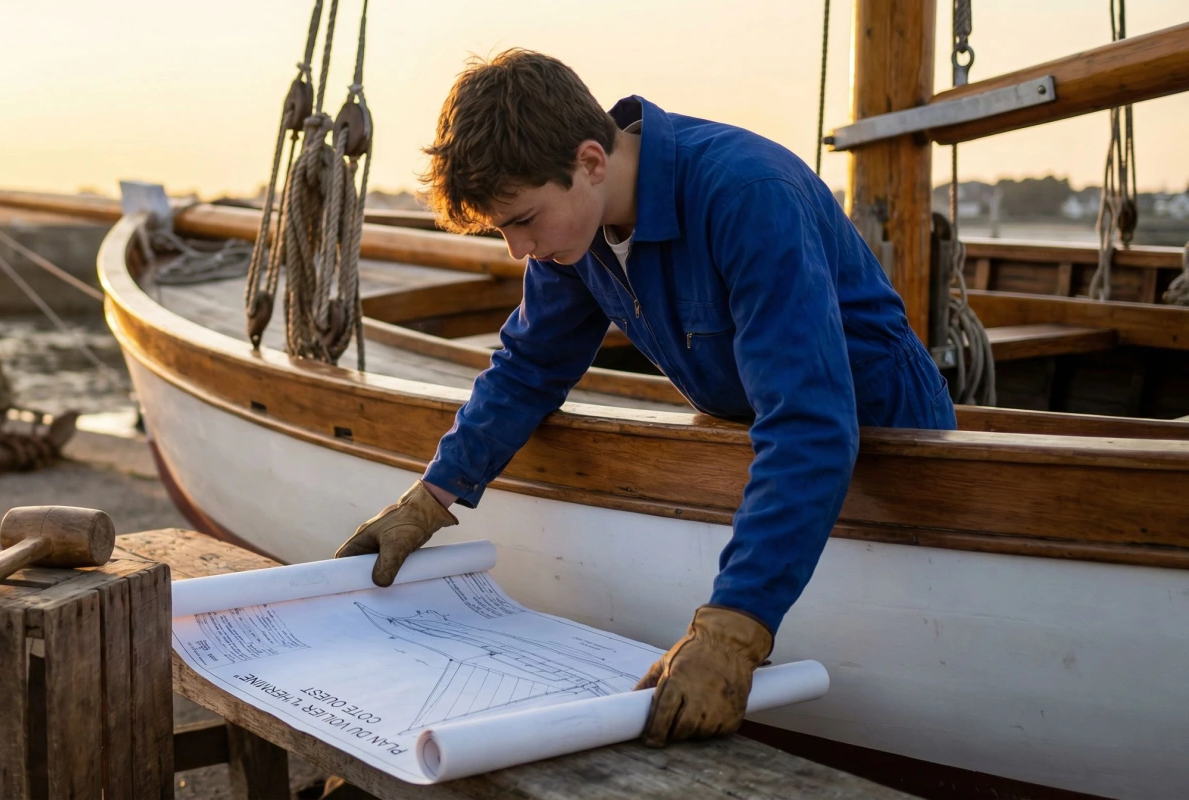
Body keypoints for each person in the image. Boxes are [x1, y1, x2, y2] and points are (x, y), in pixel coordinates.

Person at [334, 49, 956, 748]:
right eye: (502, 230)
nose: (516, 250)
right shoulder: (571, 233)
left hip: (895, 446)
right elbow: (529, 368)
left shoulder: (747, 195)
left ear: (591, 162)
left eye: (523, 221)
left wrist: (736, 629)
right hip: (757, 434)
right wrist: (430, 498)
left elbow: (809, 424)